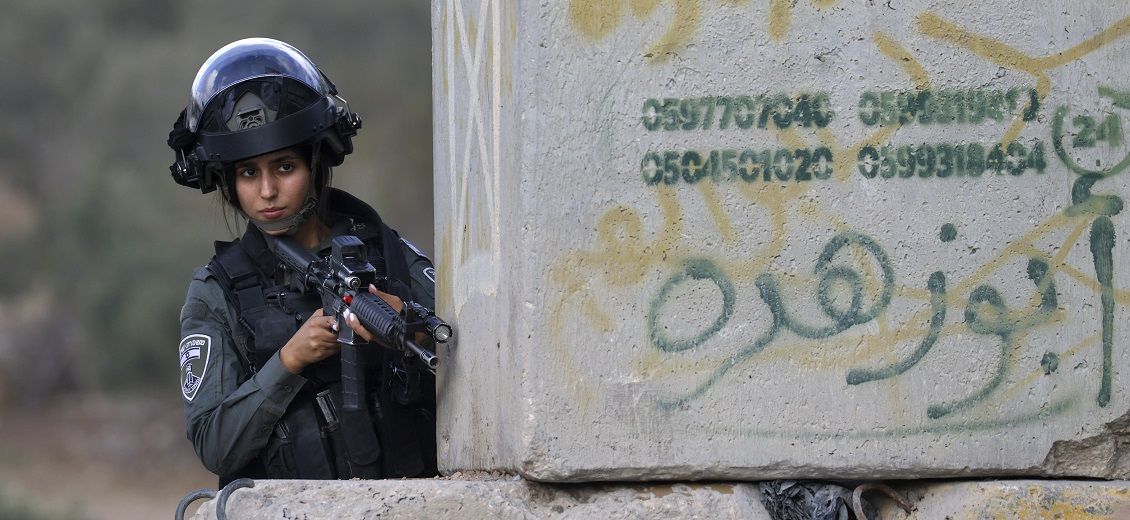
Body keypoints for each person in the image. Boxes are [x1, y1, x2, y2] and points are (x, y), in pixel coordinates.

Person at [167, 38, 438, 485]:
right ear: (228, 181)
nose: (267, 191)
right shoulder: (216, 292)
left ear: (315, 162)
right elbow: (214, 443)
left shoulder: (384, 250)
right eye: (248, 173)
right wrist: (290, 360)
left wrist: (411, 321)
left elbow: (479, 351)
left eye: (285, 167)